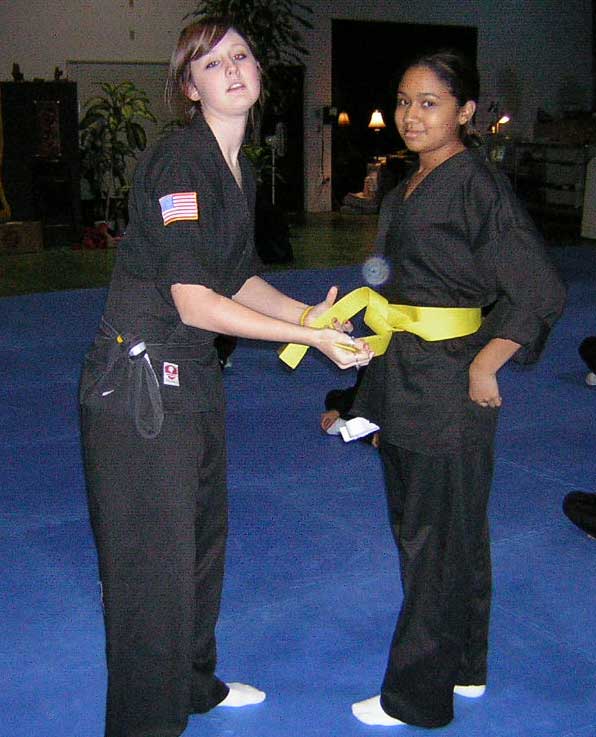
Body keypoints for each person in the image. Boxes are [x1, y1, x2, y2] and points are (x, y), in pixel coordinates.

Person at [79, 18, 372, 737]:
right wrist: (306, 335)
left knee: (200, 547)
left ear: (259, 71)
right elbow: (195, 300)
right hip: (140, 388)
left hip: (194, 376)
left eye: (240, 55)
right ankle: (145, 724)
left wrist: (311, 316)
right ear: (189, 87)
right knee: (152, 571)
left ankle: (192, 684)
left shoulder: (232, 166)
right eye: (211, 64)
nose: (232, 69)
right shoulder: (181, 161)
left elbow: (236, 277)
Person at [349, 49, 566, 729]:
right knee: (454, 532)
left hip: (446, 384)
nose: (411, 115)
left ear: (466, 112)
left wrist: (487, 363)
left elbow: (540, 289)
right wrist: (364, 386)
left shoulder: (476, 185)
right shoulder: (406, 185)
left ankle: (416, 697)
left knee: (432, 540)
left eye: (430, 103)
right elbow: (395, 289)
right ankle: (465, 665)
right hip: (404, 373)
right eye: (404, 101)